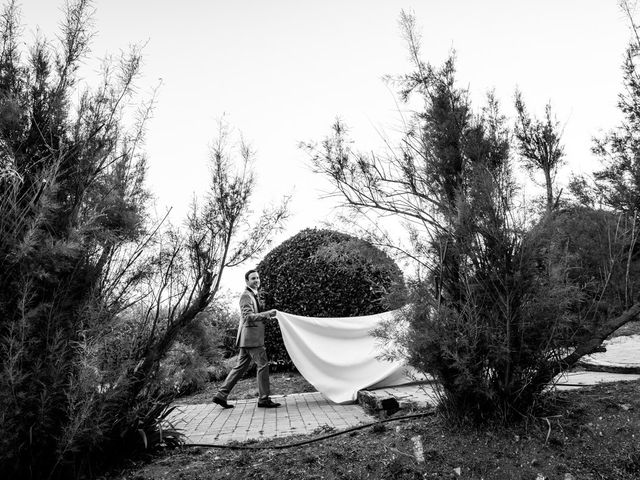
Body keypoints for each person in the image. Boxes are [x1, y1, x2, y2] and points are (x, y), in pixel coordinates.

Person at [212, 269, 281, 409]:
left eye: (257, 278)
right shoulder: (245, 296)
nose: (256, 280)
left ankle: (221, 395)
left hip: (248, 338)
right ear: (247, 281)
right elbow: (248, 316)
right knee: (263, 365)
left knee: (239, 368)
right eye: (253, 278)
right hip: (252, 339)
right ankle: (263, 398)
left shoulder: (252, 295)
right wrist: (267, 314)